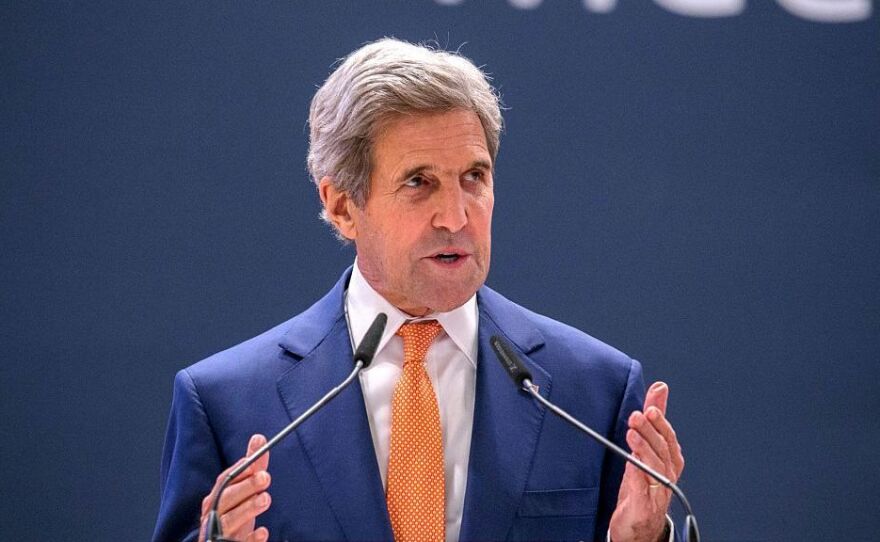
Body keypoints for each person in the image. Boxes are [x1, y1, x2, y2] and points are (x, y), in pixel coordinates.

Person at [153, 38, 685, 542]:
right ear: (342, 207)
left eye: (474, 177)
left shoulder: (593, 391)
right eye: (418, 182)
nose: (455, 217)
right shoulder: (229, 405)